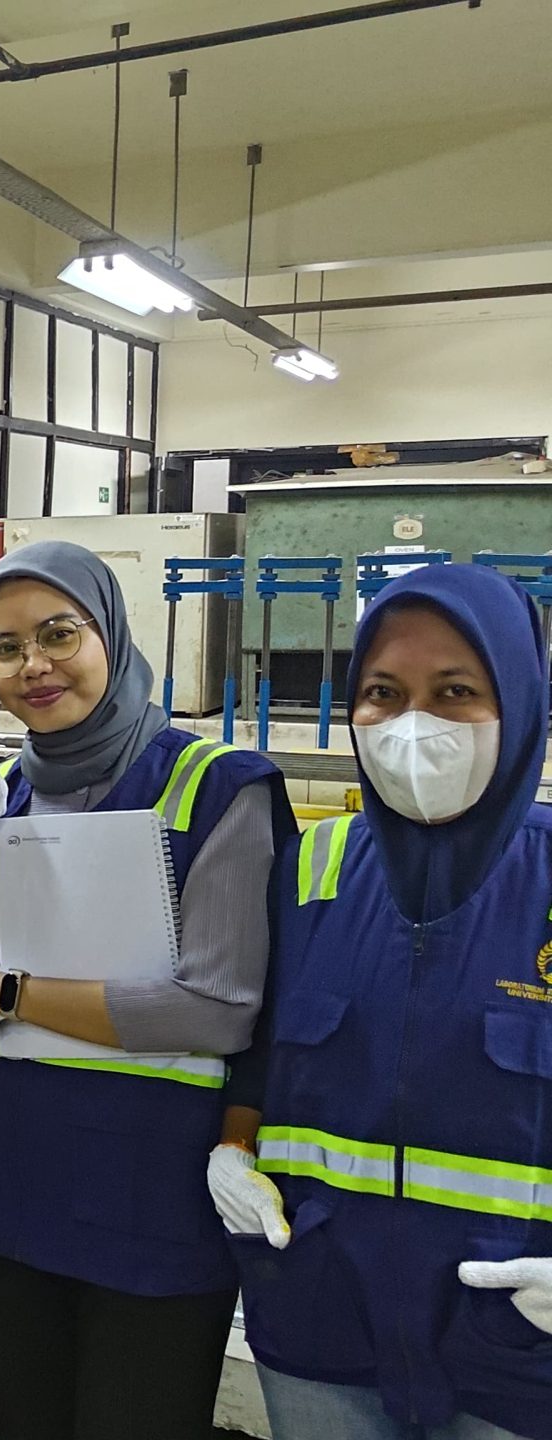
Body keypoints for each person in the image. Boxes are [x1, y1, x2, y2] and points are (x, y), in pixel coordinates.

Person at [0, 540, 292, 1440]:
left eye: (59, 634)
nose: (33, 665)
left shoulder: (217, 786)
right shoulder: (1, 790)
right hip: (11, 1176)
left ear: (112, 635)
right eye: (5, 648)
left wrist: (14, 995)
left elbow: (215, 1008)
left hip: (151, 1187)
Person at [212, 564, 552, 1440]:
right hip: (319, 1306)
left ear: (520, 701)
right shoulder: (311, 868)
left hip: (519, 1329)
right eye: (384, 693)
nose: (412, 725)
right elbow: (260, 1051)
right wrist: (233, 1151)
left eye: (455, 692)